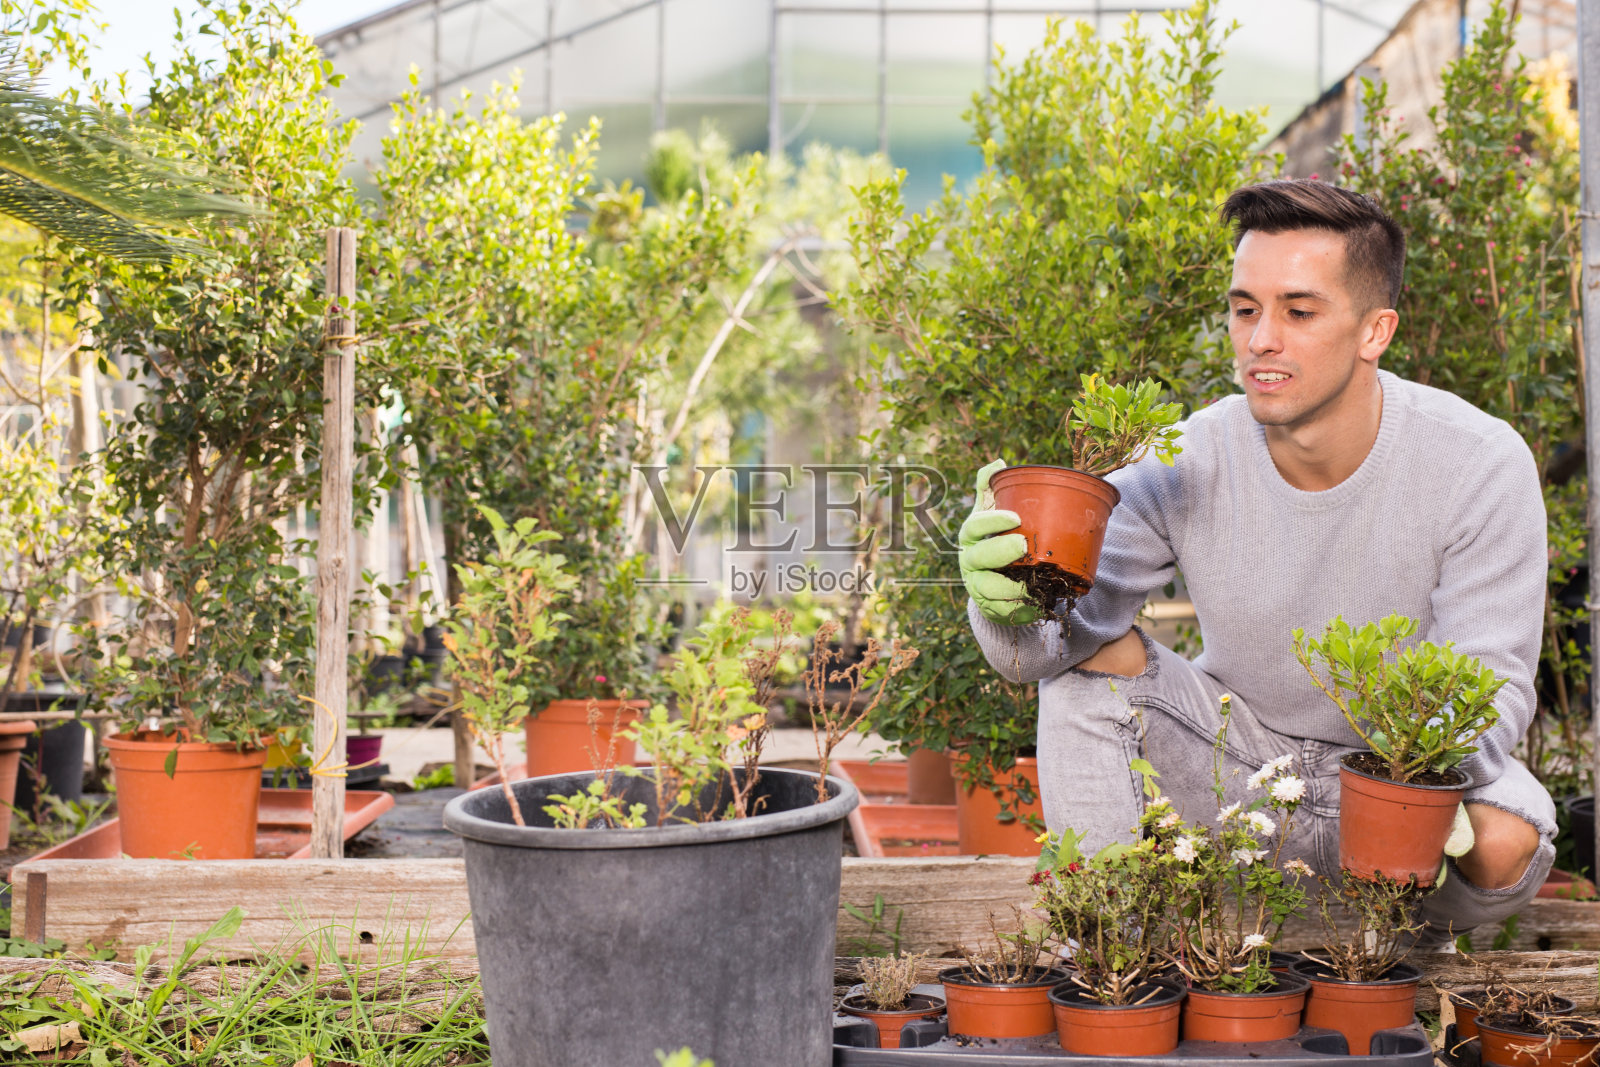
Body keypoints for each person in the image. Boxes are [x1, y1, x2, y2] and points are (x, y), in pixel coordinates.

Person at [958, 178, 1554, 943]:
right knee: (1096, 665)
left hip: (1400, 786)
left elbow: (1492, 688)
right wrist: (1007, 597)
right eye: (1245, 309)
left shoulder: (1478, 461)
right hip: (1242, 768)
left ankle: (1356, 934)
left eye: (1299, 312)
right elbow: (1045, 652)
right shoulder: (1187, 454)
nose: (1260, 338)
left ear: (1376, 331)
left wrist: (1397, 794)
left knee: (1504, 841)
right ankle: (1109, 957)